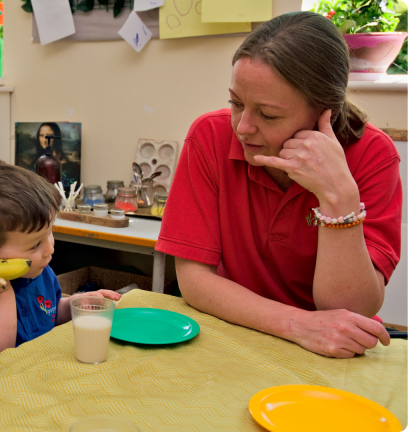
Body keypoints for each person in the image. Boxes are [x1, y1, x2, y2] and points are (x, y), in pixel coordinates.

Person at [156, 11, 400, 359]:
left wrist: (338, 196)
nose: (242, 128)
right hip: (237, 333)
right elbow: (194, 280)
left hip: (332, 352)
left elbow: (349, 309)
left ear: (323, 112)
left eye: (268, 115)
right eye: (236, 103)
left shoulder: (374, 155)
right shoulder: (210, 135)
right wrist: (297, 325)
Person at [0, 155, 121, 359]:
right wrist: (2, 294)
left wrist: (72, 306)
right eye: (35, 244)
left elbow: (48, 313)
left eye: (50, 231)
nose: (50, 248)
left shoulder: (37, 272)